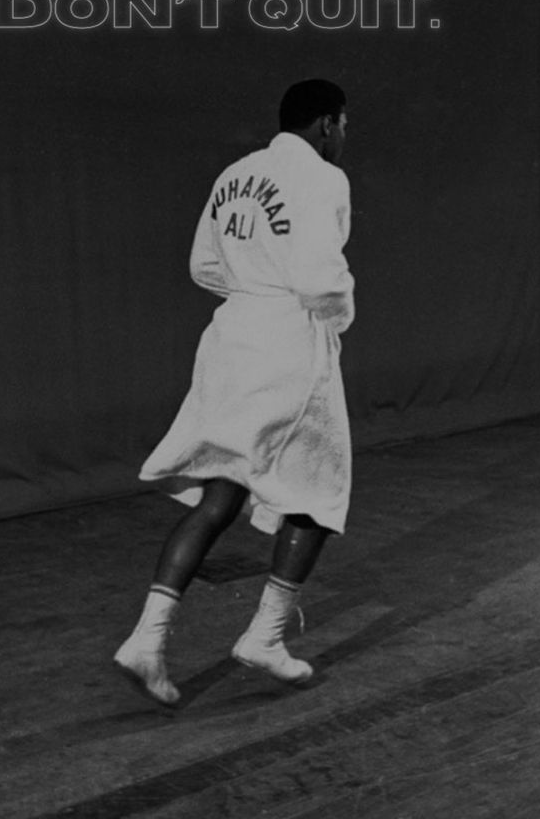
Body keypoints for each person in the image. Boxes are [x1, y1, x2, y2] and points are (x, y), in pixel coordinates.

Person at [114, 78, 355, 705]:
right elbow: (321, 278)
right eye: (343, 127)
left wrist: (251, 293)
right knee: (316, 491)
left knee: (223, 491)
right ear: (327, 124)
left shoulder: (236, 173)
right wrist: (335, 320)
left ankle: (147, 637)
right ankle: (265, 639)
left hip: (229, 340)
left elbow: (204, 265)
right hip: (286, 341)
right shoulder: (324, 179)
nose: (343, 138)